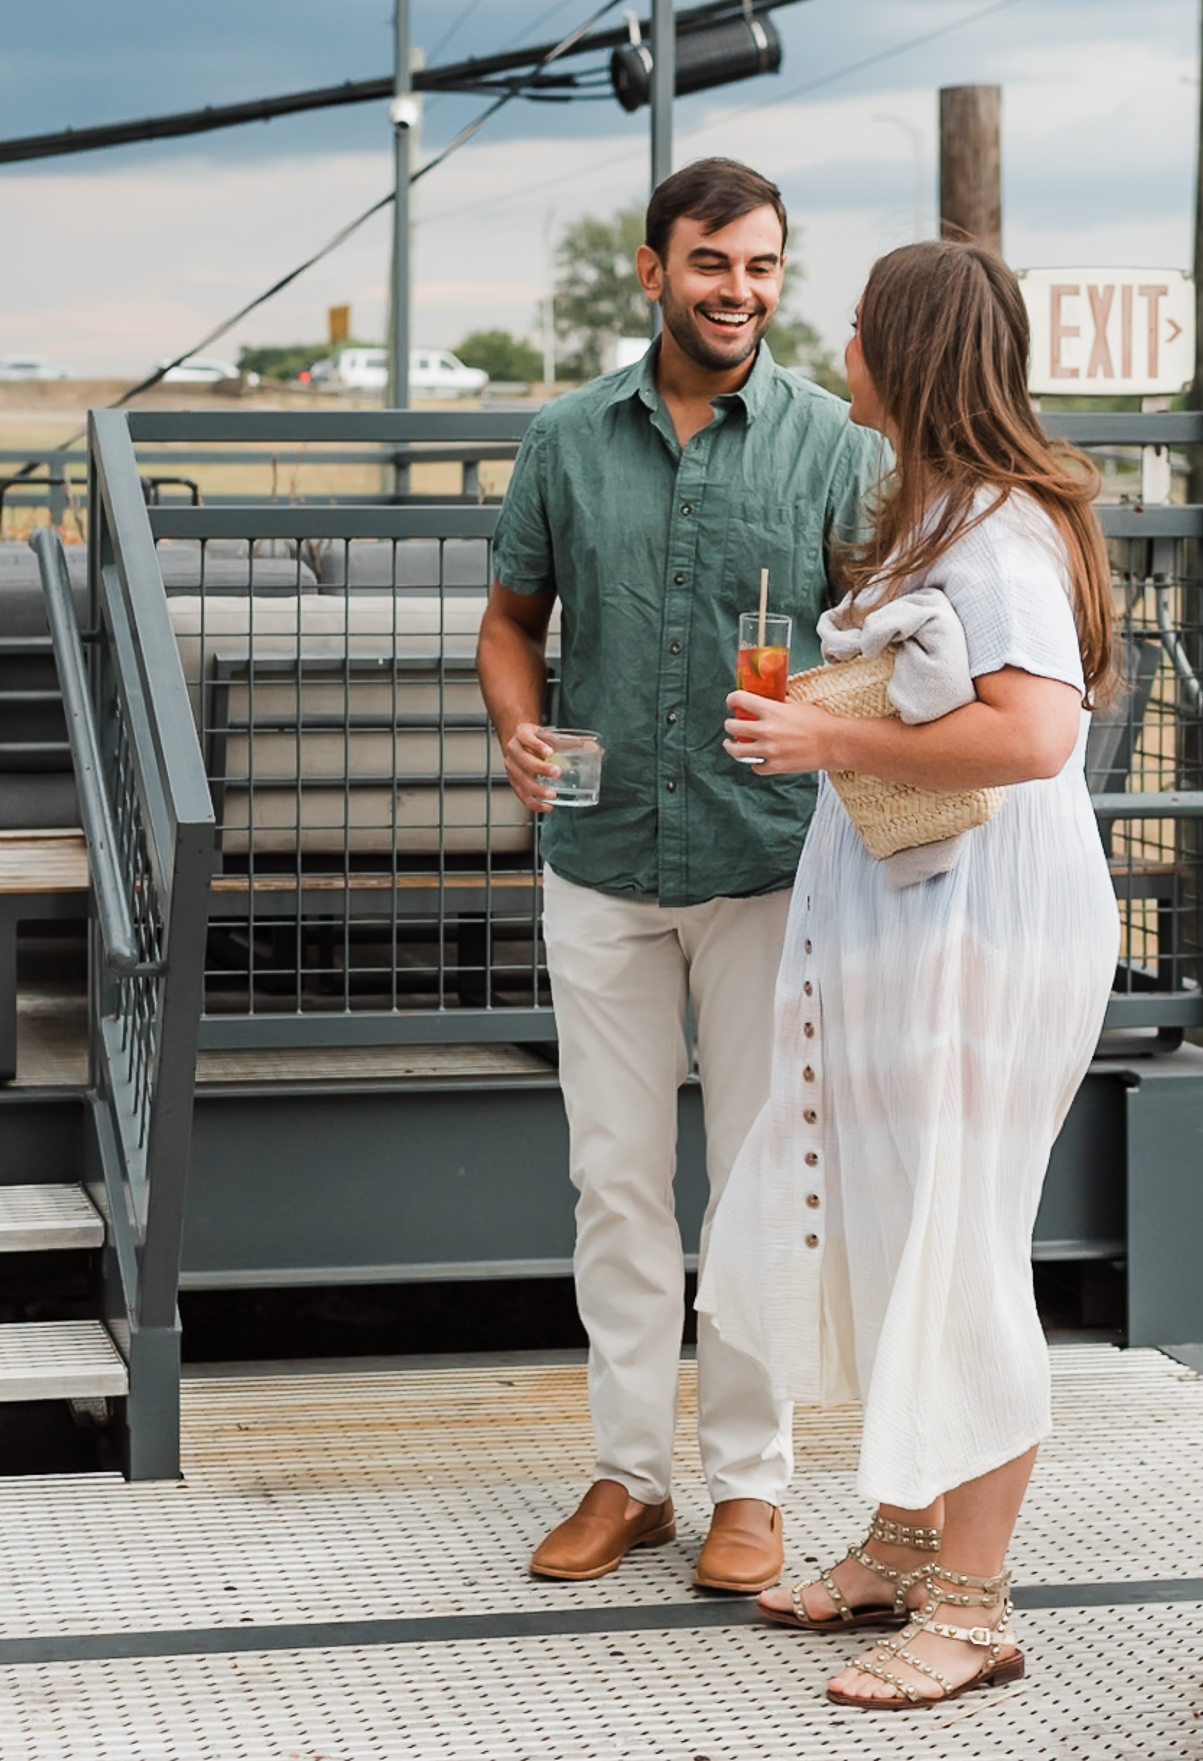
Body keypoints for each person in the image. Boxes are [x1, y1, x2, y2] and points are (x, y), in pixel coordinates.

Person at [699, 235, 1121, 1710]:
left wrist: (830, 739)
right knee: (894, 1229)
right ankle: (893, 1537)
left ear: (913, 352)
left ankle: (974, 1604)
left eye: (864, 329)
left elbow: (1030, 736)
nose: (844, 348)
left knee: (955, 1241)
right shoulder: (934, 518)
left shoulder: (998, 531)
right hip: (911, 915)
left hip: (985, 929)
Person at [476, 157, 879, 1594]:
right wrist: (518, 726)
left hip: (769, 869)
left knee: (762, 1189)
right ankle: (627, 1476)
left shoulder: (836, 450)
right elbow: (510, 621)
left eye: (763, 267)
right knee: (614, 1181)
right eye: (712, 263)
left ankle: (751, 1489)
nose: (739, 291)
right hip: (598, 860)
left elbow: (893, 642)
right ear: (652, 270)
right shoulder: (565, 440)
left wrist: (835, 716)